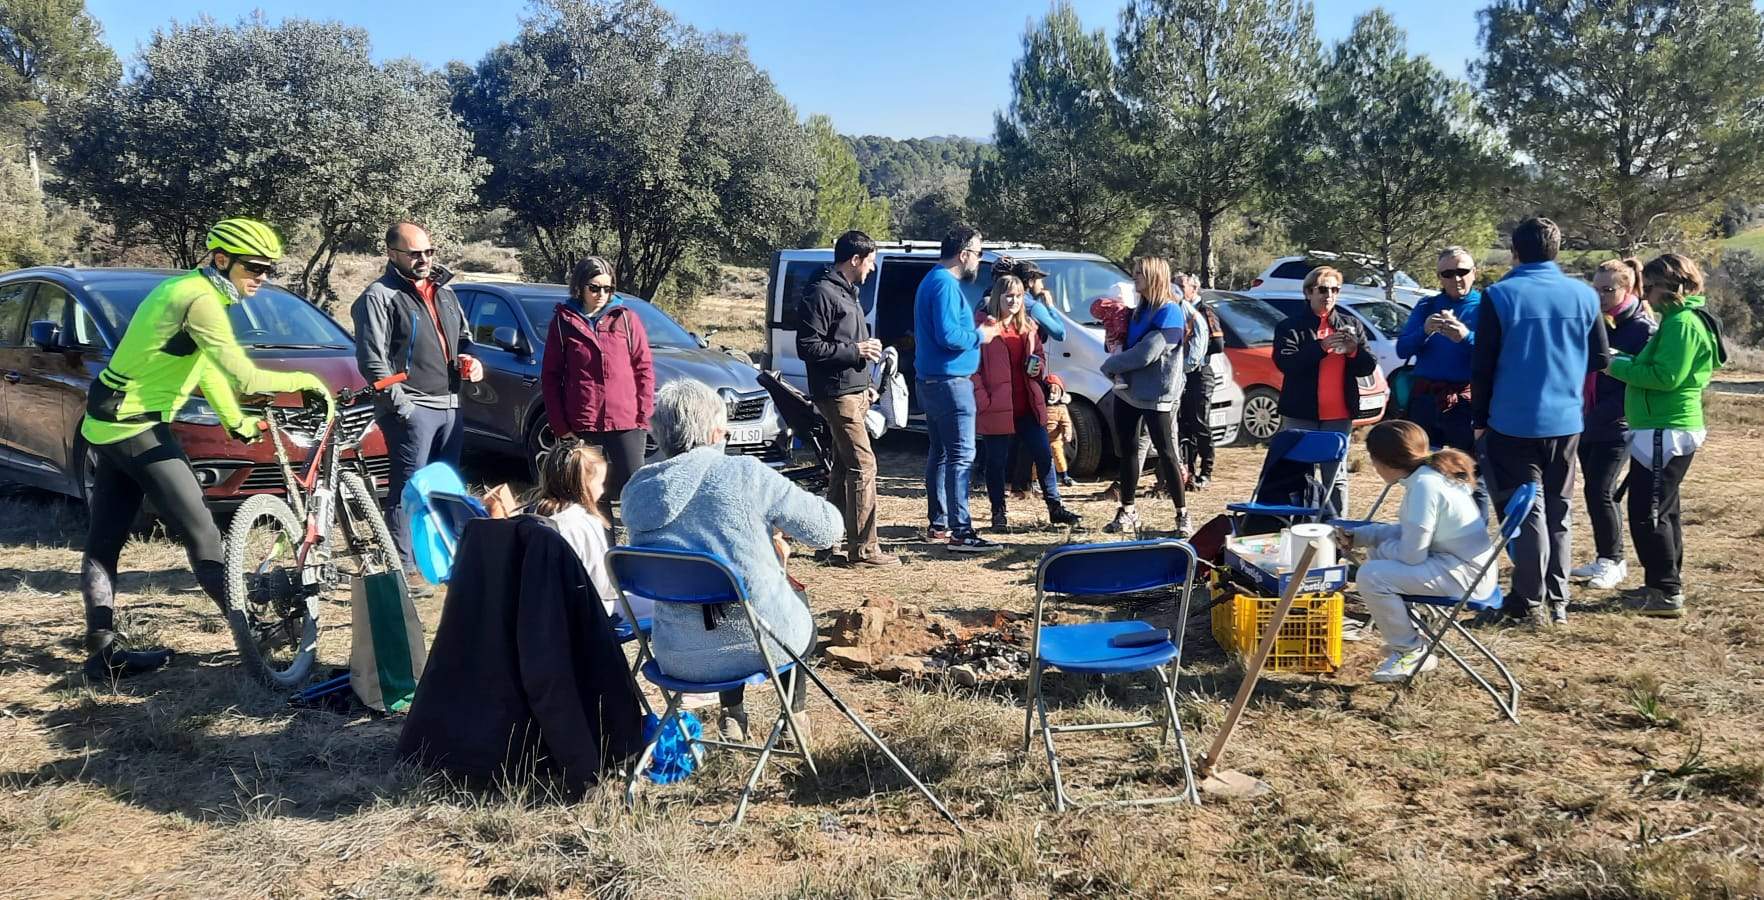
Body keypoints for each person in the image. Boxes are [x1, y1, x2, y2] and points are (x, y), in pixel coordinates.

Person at [79, 218, 334, 679]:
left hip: (106, 420)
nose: (262, 278)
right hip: (136, 425)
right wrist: (308, 381)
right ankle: (255, 639)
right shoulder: (201, 300)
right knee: (202, 532)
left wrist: (234, 419)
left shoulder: (191, 289)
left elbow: (203, 367)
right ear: (221, 259)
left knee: (105, 539)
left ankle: (102, 654)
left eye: (269, 269)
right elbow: (244, 377)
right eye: (254, 268)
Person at [620, 380, 843, 742]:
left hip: (676, 654)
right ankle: (793, 718)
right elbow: (827, 531)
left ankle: (732, 715)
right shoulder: (745, 474)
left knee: (714, 590)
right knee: (787, 599)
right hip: (756, 647)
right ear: (714, 431)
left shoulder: (636, 489)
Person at [1471, 217, 1609, 626]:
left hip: (1512, 422)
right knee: (1559, 509)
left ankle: (1530, 603)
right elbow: (1601, 358)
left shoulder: (1499, 295)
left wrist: (1479, 419)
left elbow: (1483, 365)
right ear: (1557, 250)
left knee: (1525, 512)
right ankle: (1559, 599)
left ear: (1515, 251)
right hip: (1566, 421)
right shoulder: (1584, 295)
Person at [353, 222, 484, 591]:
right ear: (392, 254)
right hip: (411, 408)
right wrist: (402, 407)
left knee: (444, 486)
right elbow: (372, 360)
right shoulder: (379, 296)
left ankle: (446, 557)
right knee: (408, 487)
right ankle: (405, 566)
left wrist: (470, 361)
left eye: (428, 251)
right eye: (415, 253)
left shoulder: (445, 292)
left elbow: (465, 340)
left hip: (450, 405)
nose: (424, 259)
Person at [1608, 253, 1727, 619]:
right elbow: (1657, 368)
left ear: (1673, 286)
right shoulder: (1680, 321)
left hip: (1667, 427)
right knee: (1664, 510)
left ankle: (1665, 591)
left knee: (1649, 511)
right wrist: (1626, 361)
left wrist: (1613, 364)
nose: (1647, 295)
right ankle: (1662, 583)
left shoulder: (1682, 324)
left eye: (1653, 287)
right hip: (1663, 426)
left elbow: (1666, 377)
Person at [1339, 421, 1497, 683]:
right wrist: (1364, 537)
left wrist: (1376, 544)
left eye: (1373, 459)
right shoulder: (1428, 476)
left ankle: (1410, 649)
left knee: (1370, 575)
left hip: (1466, 577)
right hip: (1462, 567)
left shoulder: (1425, 487)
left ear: (1385, 461)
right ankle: (1406, 637)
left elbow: (1412, 554)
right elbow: (1409, 532)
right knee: (1377, 561)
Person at [796, 230, 896, 567]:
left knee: (842, 469)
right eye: (870, 261)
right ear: (854, 259)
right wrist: (857, 350)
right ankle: (864, 550)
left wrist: (865, 380)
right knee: (864, 466)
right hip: (836, 395)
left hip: (853, 390)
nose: (872, 268)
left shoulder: (847, 292)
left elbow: (844, 342)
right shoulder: (822, 292)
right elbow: (808, 347)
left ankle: (826, 543)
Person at [540, 255, 655, 525]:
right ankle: (600, 552)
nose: (602, 294)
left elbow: (644, 369)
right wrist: (561, 426)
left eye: (608, 288)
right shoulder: (562, 322)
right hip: (582, 424)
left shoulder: (627, 319)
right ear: (579, 287)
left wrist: (643, 416)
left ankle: (641, 550)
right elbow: (550, 377)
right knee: (589, 494)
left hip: (626, 422)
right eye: (595, 287)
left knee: (635, 490)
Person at [914, 225, 1002, 552]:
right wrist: (981, 336)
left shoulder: (933, 281)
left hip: (934, 382)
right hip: (951, 384)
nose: (979, 261)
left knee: (940, 454)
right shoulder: (944, 286)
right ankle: (961, 531)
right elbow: (949, 337)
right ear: (963, 254)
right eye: (978, 254)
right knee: (961, 456)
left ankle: (939, 524)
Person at [1571, 258, 1656, 591]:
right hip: (1587, 419)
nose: (1600, 296)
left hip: (1618, 422)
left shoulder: (1641, 328)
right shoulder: (1596, 321)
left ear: (1628, 288)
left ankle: (1614, 562)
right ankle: (1606, 555)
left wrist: (1594, 417)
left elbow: (1630, 384)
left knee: (1601, 490)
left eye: (1608, 290)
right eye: (1596, 289)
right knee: (1594, 491)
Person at [973, 272, 1082, 531]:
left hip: (1028, 405)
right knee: (997, 462)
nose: (1014, 301)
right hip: (997, 406)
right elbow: (972, 368)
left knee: (1044, 455)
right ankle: (998, 513)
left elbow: (1040, 357)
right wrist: (983, 398)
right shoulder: (984, 326)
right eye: (1009, 296)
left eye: (1019, 296)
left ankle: (1055, 507)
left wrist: (1039, 368)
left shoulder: (1028, 327)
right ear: (998, 297)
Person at [1272, 266, 1378, 516]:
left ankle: (1338, 530)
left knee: (1336, 477)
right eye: (1322, 289)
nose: (1328, 295)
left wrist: (1353, 350)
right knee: (1299, 474)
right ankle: (1299, 527)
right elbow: (1286, 363)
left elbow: (1368, 366)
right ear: (1308, 292)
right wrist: (1321, 347)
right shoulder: (1290, 326)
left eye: (1334, 290)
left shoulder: (1350, 324)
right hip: (1301, 413)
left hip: (1338, 415)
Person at [1396, 247, 1489, 519]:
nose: (1456, 279)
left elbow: (1495, 356)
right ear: (1439, 277)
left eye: (1462, 272)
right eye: (1448, 273)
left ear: (1475, 273)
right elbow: (1403, 349)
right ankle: (1427, 532)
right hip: (1427, 400)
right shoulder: (1426, 306)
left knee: (1470, 475)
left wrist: (1466, 337)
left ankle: (1475, 544)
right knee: (1422, 472)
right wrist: (1424, 331)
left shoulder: (1486, 308)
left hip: (1466, 402)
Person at [1101, 257, 1190, 536]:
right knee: (1127, 452)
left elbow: (1147, 353)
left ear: (1154, 277)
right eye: (1135, 273)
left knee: (1166, 453)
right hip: (1129, 393)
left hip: (1158, 395)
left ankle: (1182, 515)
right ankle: (1128, 509)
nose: (1134, 278)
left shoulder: (1170, 312)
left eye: (1140, 274)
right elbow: (1127, 345)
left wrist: (1111, 365)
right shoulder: (1138, 311)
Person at [530, 442, 654, 622]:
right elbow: (602, 585)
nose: (603, 490)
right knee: (660, 604)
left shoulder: (532, 514)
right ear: (584, 485)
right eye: (600, 483)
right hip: (586, 613)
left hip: (543, 610)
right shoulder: (584, 523)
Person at [1175, 273, 1224, 488]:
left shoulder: (1204, 312)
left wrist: (1193, 351)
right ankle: (1187, 469)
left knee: (1199, 422)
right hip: (1181, 375)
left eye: (1181, 285)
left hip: (1200, 373)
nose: (1175, 288)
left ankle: (1207, 470)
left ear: (1194, 289)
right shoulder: (1176, 311)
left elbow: (1218, 344)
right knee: (1182, 423)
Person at [1045, 375, 1076, 488]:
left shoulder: (1061, 408)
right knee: (1036, 459)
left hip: (1054, 439)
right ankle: (1034, 479)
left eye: (1055, 392)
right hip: (1040, 438)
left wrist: (1067, 433)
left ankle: (1064, 475)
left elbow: (1066, 422)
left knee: (1058, 455)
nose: (1052, 395)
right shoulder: (1040, 406)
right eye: (1050, 391)